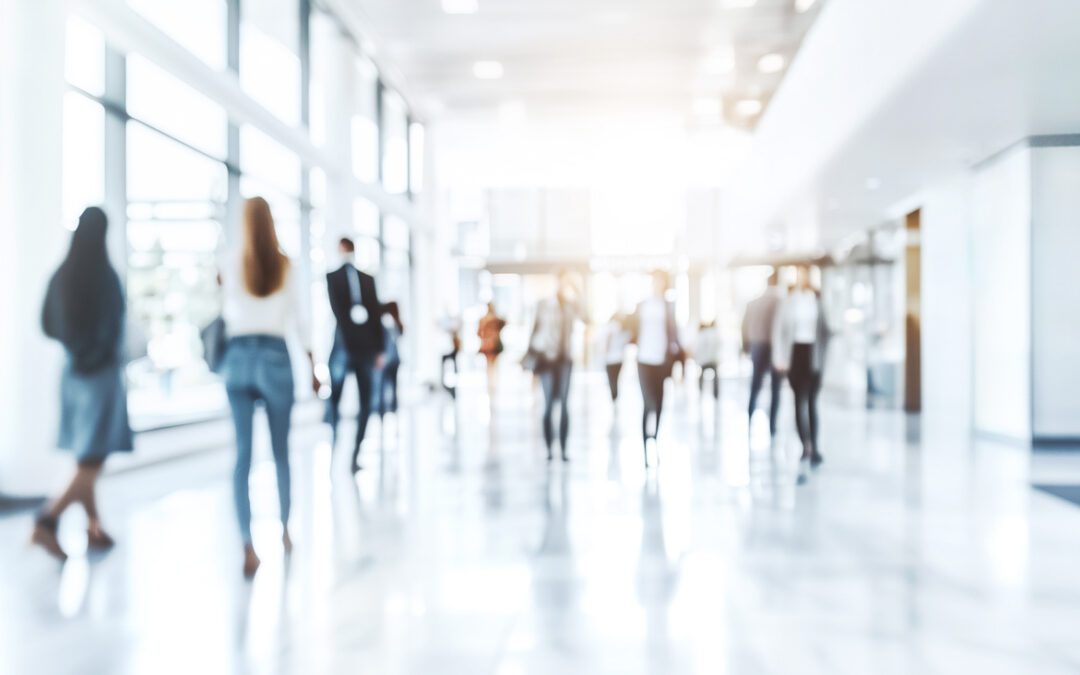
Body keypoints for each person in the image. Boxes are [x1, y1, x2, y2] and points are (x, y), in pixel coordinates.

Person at [222, 197, 317, 577]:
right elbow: (300, 318)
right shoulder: (285, 264)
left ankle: (247, 543)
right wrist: (311, 363)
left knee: (243, 456)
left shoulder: (230, 261)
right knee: (280, 453)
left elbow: (228, 309)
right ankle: (284, 531)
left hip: (239, 356)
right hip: (276, 357)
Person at [32, 207, 133, 561]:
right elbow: (116, 328)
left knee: (86, 454)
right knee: (92, 457)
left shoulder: (61, 275)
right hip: (99, 376)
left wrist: (74, 345)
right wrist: (97, 350)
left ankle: (93, 524)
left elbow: (45, 324)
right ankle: (48, 519)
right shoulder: (106, 278)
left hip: (72, 373)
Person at [326, 237, 385, 473]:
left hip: (366, 350)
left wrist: (379, 349)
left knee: (366, 401)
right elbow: (339, 314)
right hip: (343, 348)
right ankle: (334, 444)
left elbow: (376, 316)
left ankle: (355, 453)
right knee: (334, 400)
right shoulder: (332, 278)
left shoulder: (367, 280)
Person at [772, 267, 829, 478]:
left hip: (812, 356)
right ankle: (804, 444)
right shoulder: (788, 302)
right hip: (795, 355)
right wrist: (780, 358)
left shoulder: (817, 301)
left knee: (812, 402)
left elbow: (825, 331)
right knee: (798, 401)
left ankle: (814, 446)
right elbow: (780, 331)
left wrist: (824, 359)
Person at [525, 272, 581, 462]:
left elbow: (587, 317)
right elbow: (534, 331)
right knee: (548, 405)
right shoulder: (543, 305)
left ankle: (564, 450)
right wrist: (530, 360)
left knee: (565, 406)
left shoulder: (572, 305)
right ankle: (549, 449)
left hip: (565, 360)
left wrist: (578, 291)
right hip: (547, 360)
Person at [630, 271, 681, 467]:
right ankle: (645, 449)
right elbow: (632, 329)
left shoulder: (668, 306)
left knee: (660, 403)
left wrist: (678, 354)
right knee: (648, 403)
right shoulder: (642, 305)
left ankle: (656, 441)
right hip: (644, 359)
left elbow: (674, 333)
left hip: (662, 360)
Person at [743, 271, 784, 437]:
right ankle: (772, 426)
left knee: (755, 385)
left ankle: (749, 418)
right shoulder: (780, 302)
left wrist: (746, 347)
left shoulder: (753, 303)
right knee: (775, 388)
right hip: (774, 347)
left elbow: (744, 326)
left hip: (756, 346)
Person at [376, 302, 404, 417]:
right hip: (393, 360)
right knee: (390, 386)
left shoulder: (388, 323)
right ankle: (390, 410)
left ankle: (386, 411)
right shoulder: (395, 323)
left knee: (384, 387)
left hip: (388, 361)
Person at [477, 303, 507, 396]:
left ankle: (490, 383)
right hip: (494, 345)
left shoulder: (483, 320)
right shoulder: (496, 319)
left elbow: (478, 333)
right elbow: (504, 323)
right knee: (494, 365)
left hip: (487, 345)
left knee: (489, 365)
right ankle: (493, 382)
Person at [602, 312, 631, 404]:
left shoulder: (610, 327)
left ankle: (613, 398)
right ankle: (615, 397)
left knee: (611, 380)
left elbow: (606, 342)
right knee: (616, 380)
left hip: (610, 360)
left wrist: (605, 352)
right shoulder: (623, 329)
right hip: (619, 359)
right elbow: (627, 340)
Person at [695, 320, 721, 400]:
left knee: (701, 376)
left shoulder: (701, 334)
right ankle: (716, 394)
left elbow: (698, 348)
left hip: (704, 360)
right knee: (716, 376)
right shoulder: (715, 333)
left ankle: (700, 391)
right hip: (713, 360)